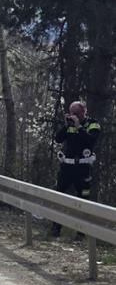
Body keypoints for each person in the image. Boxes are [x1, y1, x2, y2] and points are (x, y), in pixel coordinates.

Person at [51, 101, 101, 237]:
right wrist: (66, 125)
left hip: (83, 168)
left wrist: (79, 127)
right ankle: (56, 228)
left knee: (83, 198)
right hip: (67, 167)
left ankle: (81, 232)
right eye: (71, 113)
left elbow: (91, 141)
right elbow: (58, 139)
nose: (73, 116)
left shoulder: (92, 124)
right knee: (59, 196)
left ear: (83, 112)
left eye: (76, 113)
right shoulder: (70, 125)